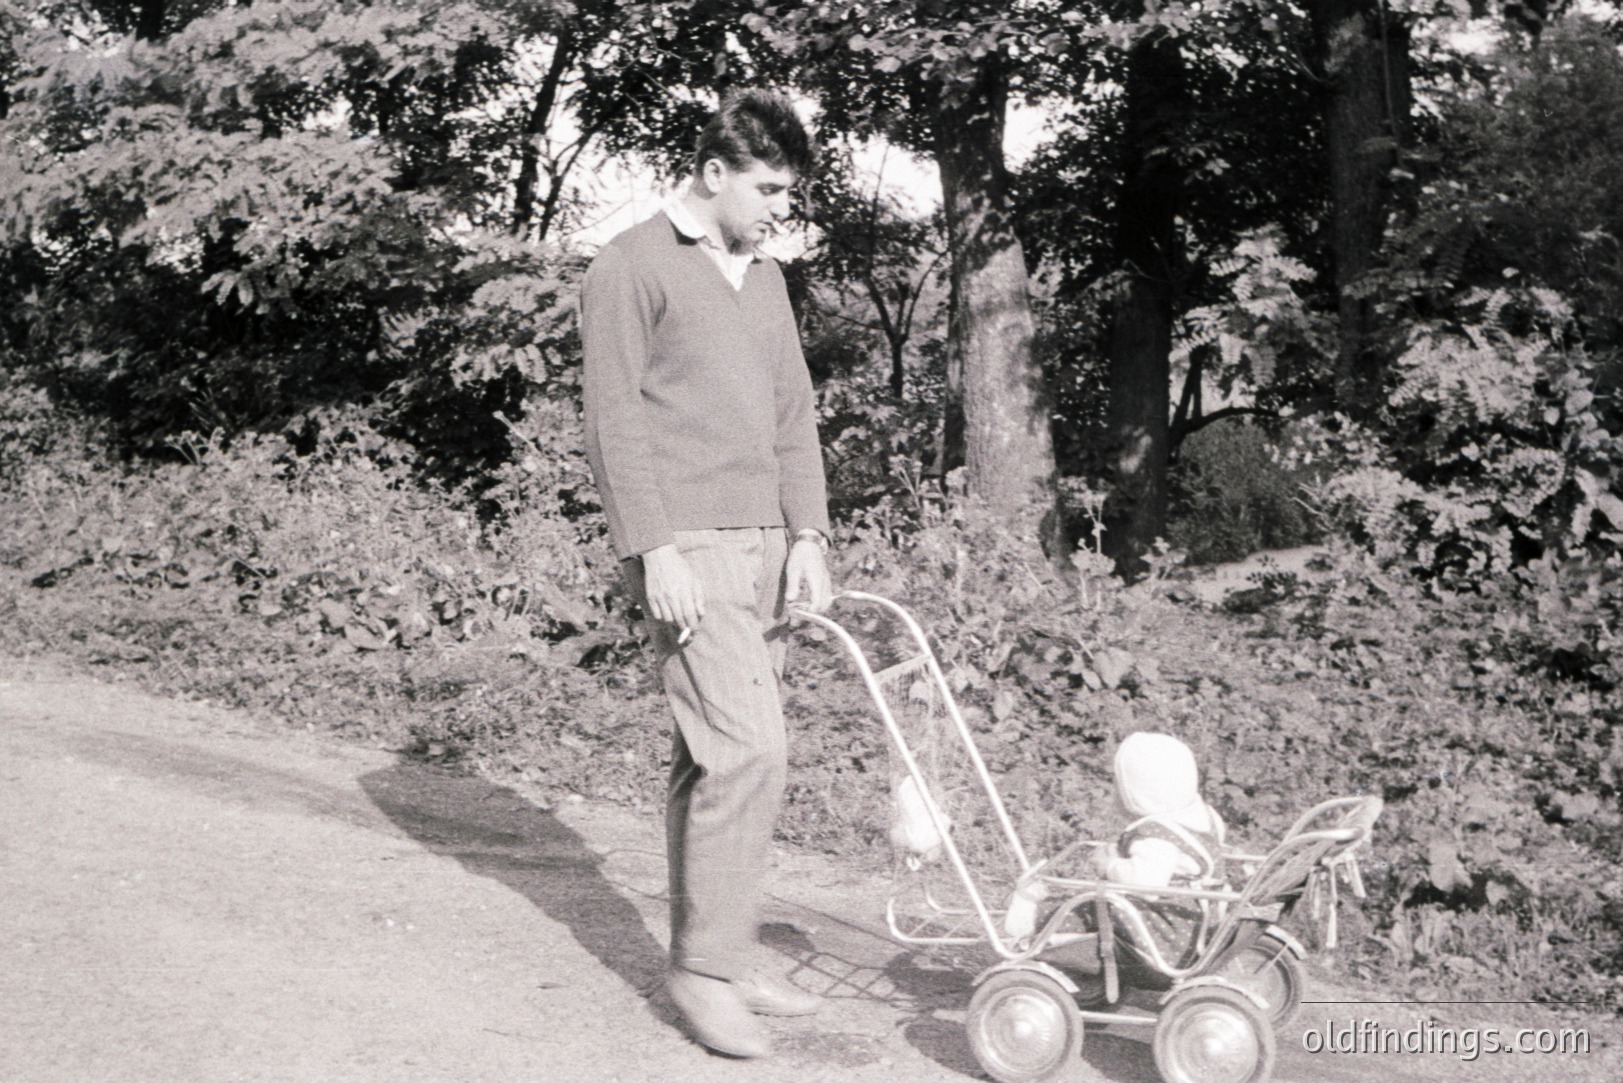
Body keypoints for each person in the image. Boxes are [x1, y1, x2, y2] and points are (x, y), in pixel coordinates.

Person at [578, 88, 833, 1060]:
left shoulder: (762, 275)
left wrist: (808, 536)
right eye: (769, 188)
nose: (780, 207)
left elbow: (793, 414)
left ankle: (717, 946)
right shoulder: (629, 266)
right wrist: (655, 549)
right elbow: (614, 424)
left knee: (710, 758)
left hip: (762, 548)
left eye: (790, 192)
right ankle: (702, 974)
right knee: (750, 751)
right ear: (714, 171)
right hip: (684, 553)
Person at [1100, 731, 1228, 967]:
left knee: (1089, 907)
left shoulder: (1156, 837)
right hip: (1199, 922)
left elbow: (1144, 884)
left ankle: (1028, 927)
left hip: (1166, 935)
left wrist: (1109, 865)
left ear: (1139, 792)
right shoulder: (1204, 816)